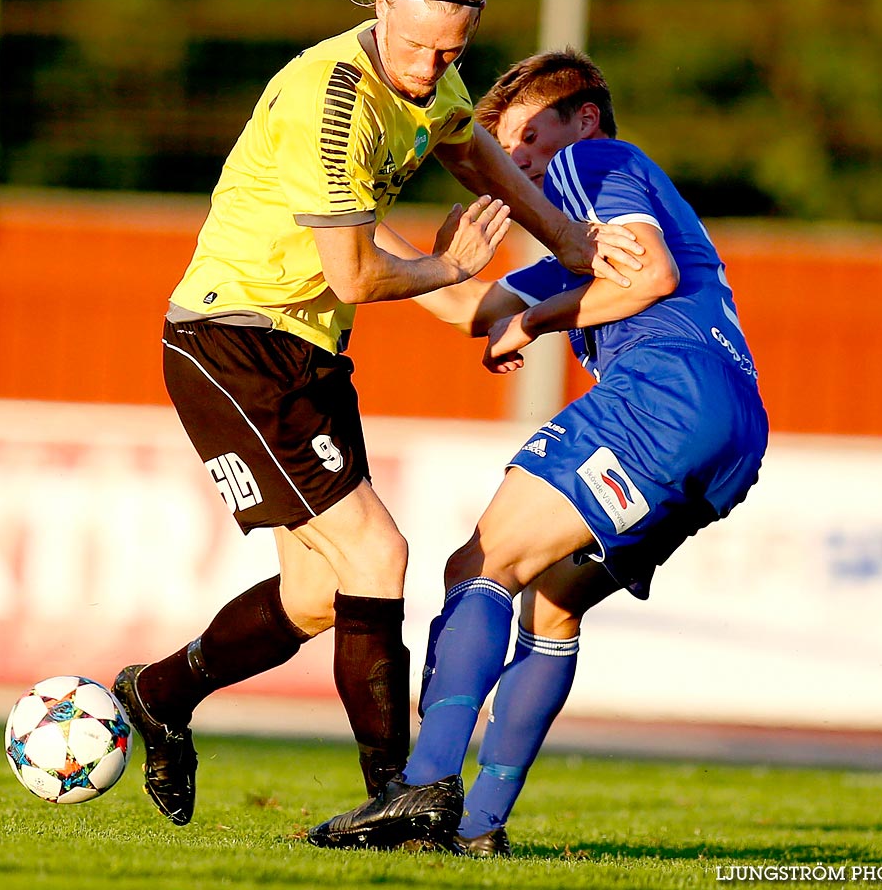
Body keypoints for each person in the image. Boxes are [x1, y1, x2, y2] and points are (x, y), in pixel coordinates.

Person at [113, 0, 646, 829]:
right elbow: (358, 274)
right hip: (232, 338)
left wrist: (569, 242)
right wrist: (451, 270)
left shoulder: (428, 80)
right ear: (382, 6)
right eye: (420, 47)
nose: (433, 67)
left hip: (308, 350)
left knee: (319, 596)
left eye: (452, 51)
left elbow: (472, 152)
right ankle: (395, 794)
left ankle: (158, 695)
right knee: (379, 556)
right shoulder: (332, 103)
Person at [307, 49, 769, 854]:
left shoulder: (598, 159)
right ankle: (479, 829)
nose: (514, 163)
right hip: (731, 436)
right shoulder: (577, 253)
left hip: (664, 397)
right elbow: (465, 310)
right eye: (505, 150)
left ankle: (422, 790)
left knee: (477, 567)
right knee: (551, 602)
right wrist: (341, 214)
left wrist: (535, 321)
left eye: (527, 138)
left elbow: (648, 276)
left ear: (582, 119)